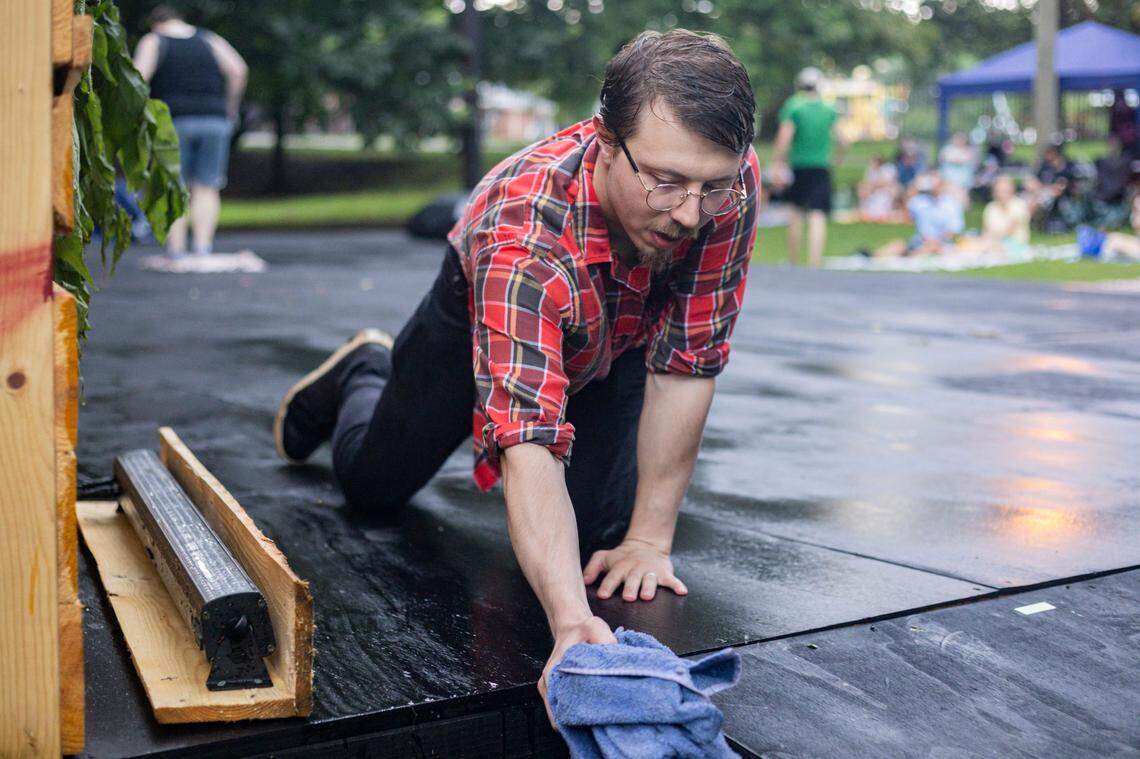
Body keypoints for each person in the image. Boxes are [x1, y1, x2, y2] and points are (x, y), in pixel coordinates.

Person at [272, 30, 760, 725]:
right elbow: (528, 439)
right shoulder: (524, 240)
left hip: (618, 329)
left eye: (711, 186)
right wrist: (569, 624)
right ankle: (365, 368)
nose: (689, 212)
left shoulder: (725, 186)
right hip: (485, 303)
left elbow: (688, 360)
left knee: (602, 542)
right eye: (666, 181)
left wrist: (651, 537)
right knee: (371, 486)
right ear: (603, 140)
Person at [132, 5, 248, 258]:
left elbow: (138, 78)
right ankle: (202, 247)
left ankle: (176, 249)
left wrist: (141, 115)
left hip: (173, 120)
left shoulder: (154, 40)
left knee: (175, 185)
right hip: (214, 119)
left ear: (156, 24)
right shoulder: (209, 38)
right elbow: (238, 70)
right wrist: (230, 107)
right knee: (207, 186)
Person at [771, 67, 843, 267]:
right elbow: (843, 139)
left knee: (795, 212)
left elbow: (784, 138)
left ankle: (793, 260)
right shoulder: (829, 109)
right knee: (817, 213)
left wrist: (777, 163)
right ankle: (815, 262)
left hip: (799, 166)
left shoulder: (794, 106)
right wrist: (838, 158)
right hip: (821, 166)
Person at [865, 171, 963, 258]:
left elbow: (954, 231)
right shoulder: (920, 201)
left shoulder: (951, 204)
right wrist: (914, 188)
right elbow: (905, 212)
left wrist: (935, 240)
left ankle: (911, 258)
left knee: (930, 247)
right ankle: (873, 256)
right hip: (919, 240)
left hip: (940, 243)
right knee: (899, 244)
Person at [856, 155, 904, 223]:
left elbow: (886, 182)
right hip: (874, 192)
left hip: (886, 192)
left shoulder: (888, 168)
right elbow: (868, 182)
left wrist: (872, 185)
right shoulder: (871, 170)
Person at [938, 132, 978, 203]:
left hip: (963, 181)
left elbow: (969, 159)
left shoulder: (969, 150)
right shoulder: (948, 149)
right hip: (948, 179)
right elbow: (944, 158)